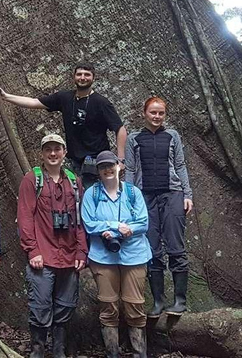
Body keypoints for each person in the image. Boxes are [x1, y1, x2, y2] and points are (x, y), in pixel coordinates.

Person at [0, 63, 127, 187]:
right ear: (74, 77)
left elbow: (120, 129)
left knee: (93, 198)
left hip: (96, 163)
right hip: (74, 161)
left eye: (87, 74)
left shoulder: (101, 103)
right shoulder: (65, 97)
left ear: (93, 78)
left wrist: (121, 160)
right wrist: (6, 96)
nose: (82, 78)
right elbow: (35, 102)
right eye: (79, 74)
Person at [17, 134, 87, 358]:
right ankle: (37, 350)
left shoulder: (74, 181)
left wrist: (81, 251)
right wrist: (32, 250)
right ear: (42, 154)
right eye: (48, 149)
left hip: (69, 256)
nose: (53, 153)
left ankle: (59, 351)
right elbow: (25, 216)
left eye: (57, 149)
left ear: (64, 152)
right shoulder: (32, 179)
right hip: (42, 256)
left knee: (65, 307)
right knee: (40, 306)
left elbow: (80, 219)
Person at [125, 97, 193, 319]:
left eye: (161, 113)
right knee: (152, 248)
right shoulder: (134, 139)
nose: (156, 116)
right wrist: (129, 200)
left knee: (175, 246)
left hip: (172, 194)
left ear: (165, 115)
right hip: (145, 198)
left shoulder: (172, 136)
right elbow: (130, 171)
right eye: (153, 112)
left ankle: (180, 301)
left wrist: (187, 195)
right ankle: (158, 302)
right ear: (144, 113)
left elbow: (181, 166)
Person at [82, 151, 150, 358]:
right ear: (98, 171)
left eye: (110, 165)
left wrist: (127, 230)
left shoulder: (132, 193)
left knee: (135, 306)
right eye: (103, 167)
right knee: (108, 307)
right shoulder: (91, 195)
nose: (107, 170)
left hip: (134, 255)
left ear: (119, 166)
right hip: (103, 258)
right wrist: (113, 226)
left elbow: (143, 222)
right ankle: (113, 353)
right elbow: (88, 223)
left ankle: (140, 354)